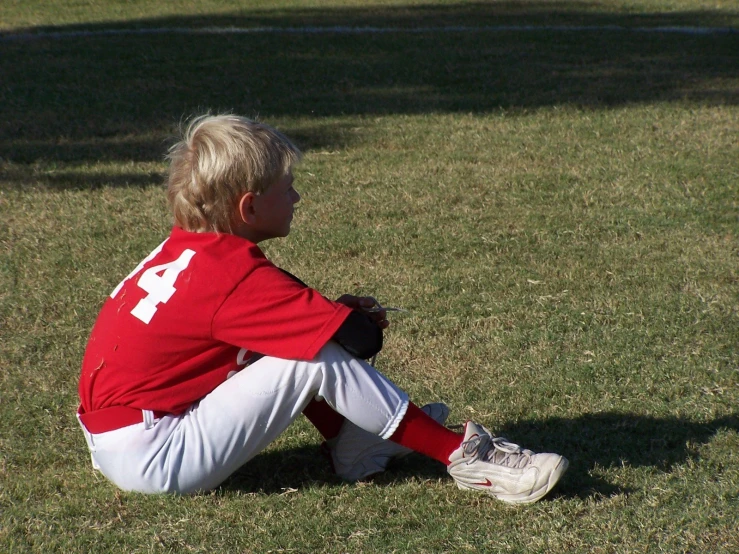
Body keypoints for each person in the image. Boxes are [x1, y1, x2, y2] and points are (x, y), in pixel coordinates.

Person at [77, 114, 568, 504]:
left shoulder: (181, 249)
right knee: (309, 356)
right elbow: (360, 339)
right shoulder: (232, 274)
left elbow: (245, 318)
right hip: (157, 454)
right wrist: (342, 321)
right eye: (285, 188)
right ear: (247, 208)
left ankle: (352, 443)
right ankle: (464, 458)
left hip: (127, 438)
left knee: (293, 342)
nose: (296, 196)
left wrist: (329, 315)